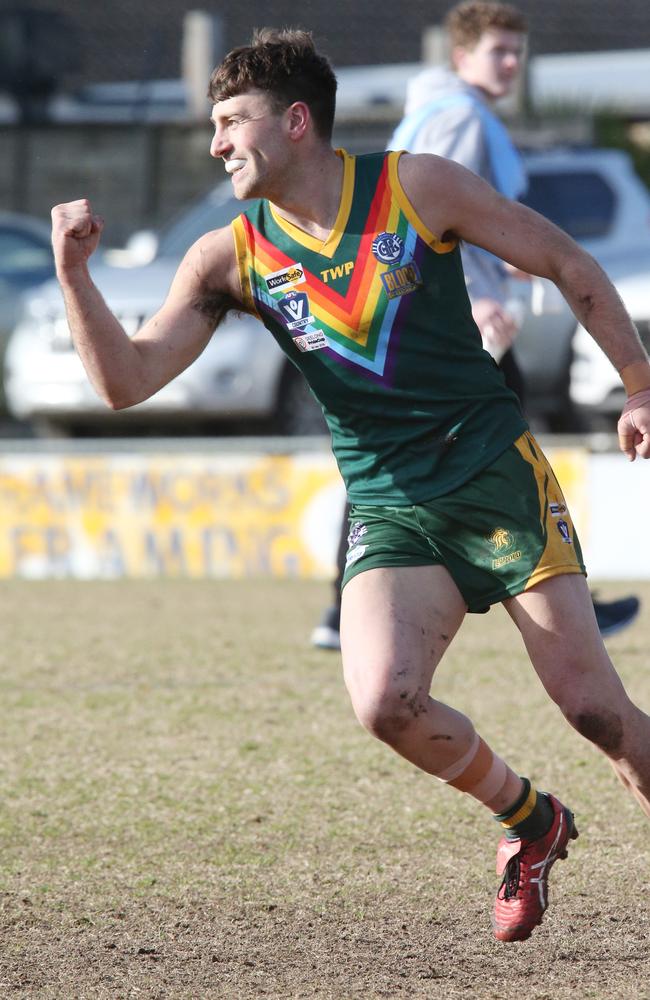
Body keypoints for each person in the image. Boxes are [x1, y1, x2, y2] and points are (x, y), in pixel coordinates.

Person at [51, 28, 650, 944]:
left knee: (599, 713)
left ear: (296, 122)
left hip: (494, 476)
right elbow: (126, 382)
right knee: (382, 702)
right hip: (390, 505)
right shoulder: (230, 253)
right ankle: (532, 823)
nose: (216, 144)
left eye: (229, 122)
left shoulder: (417, 186)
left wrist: (641, 387)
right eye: (213, 126)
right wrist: (74, 274)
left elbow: (566, 263)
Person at [313, 1, 640, 651]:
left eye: (519, 49)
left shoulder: (442, 111)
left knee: (400, 450)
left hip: (441, 313)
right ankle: (565, 596)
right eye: (498, 50)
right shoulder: (461, 117)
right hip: (458, 323)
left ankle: (338, 610)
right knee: (497, 445)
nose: (513, 62)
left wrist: (500, 270)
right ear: (461, 57)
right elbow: (430, 217)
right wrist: (475, 293)